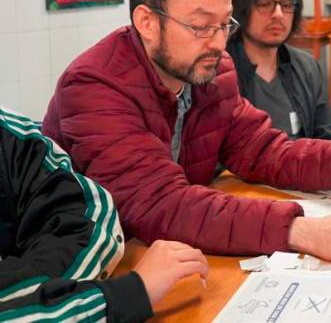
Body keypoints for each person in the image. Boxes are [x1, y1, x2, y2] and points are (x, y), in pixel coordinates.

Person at [43, 0, 331, 264]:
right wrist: (301, 231)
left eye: (225, 25)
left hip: (169, 247)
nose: (219, 43)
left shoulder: (211, 72)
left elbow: (261, 148)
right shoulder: (95, 86)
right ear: (147, 22)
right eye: (202, 27)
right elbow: (158, 204)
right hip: (92, 262)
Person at [0, 107, 208, 322]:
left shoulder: (11, 132)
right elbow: (154, 200)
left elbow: (80, 216)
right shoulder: (92, 86)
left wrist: (45, 301)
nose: (216, 69)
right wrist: (119, 297)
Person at [227, 0, 331, 142]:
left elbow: (330, 135)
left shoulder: (306, 66)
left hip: (303, 167)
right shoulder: (219, 72)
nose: (278, 14)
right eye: (265, 4)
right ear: (242, 8)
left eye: (287, 4)